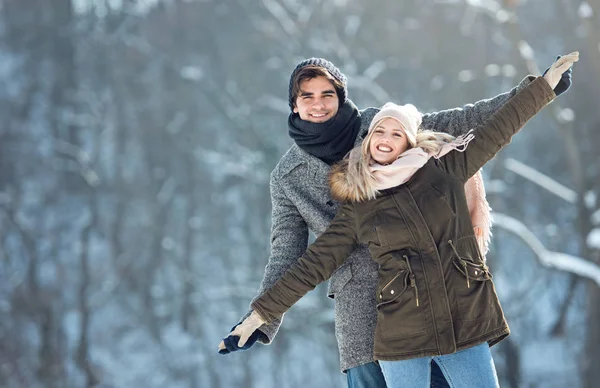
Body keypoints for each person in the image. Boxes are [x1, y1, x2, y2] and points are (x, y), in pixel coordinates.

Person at [218, 55, 576, 387]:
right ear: (294, 104)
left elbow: (470, 123)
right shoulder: (288, 177)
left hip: (435, 290)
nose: (318, 103)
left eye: (327, 94)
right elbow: (293, 257)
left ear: (341, 98)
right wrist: (261, 318)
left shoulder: (382, 126)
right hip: (361, 308)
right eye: (306, 95)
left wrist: (538, 89)